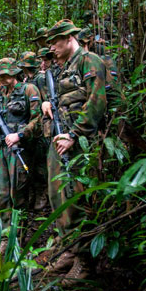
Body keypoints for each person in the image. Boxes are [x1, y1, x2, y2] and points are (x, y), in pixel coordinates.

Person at [41, 19, 107, 235]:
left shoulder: (89, 60)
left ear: (69, 38)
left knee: (76, 195)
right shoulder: (65, 69)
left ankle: (82, 255)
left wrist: (74, 134)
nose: (51, 47)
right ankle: (68, 245)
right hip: (60, 138)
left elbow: (97, 101)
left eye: (55, 42)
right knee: (57, 193)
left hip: (79, 141)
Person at [0, 58, 41, 225]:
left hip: (19, 149)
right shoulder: (0, 96)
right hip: (1, 150)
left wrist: (19, 135)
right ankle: (5, 233)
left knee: (18, 191)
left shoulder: (29, 90)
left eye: (4, 76)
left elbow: (38, 120)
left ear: (13, 73)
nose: (1, 80)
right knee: (2, 193)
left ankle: (19, 233)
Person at [17, 51, 48, 211]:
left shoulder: (40, 79)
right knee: (29, 164)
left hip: (39, 126)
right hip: (28, 125)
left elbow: (46, 101)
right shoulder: (26, 80)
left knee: (40, 164)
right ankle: (32, 196)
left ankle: (42, 193)